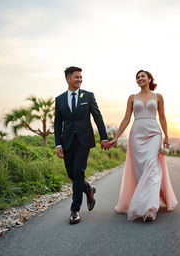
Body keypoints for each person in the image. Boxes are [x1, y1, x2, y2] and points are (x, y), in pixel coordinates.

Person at [110, 70, 178, 221]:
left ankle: (150, 209)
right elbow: (126, 118)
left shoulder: (158, 97)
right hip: (137, 135)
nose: (140, 78)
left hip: (154, 133)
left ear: (149, 79)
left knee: (152, 167)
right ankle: (146, 200)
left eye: (142, 76)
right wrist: (116, 137)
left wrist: (166, 136)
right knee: (141, 170)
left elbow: (162, 117)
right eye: (137, 77)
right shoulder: (132, 98)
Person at [54, 66, 110, 225]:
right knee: (72, 174)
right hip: (67, 142)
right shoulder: (60, 99)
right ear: (68, 78)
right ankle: (88, 190)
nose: (79, 80)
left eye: (80, 77)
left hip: (84, 141)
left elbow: (98, 118)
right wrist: (58, 144)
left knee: (78, 171)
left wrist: (104, 138)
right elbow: (57, 124)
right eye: (76, 77)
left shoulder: (88, 96)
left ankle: (74, 210)